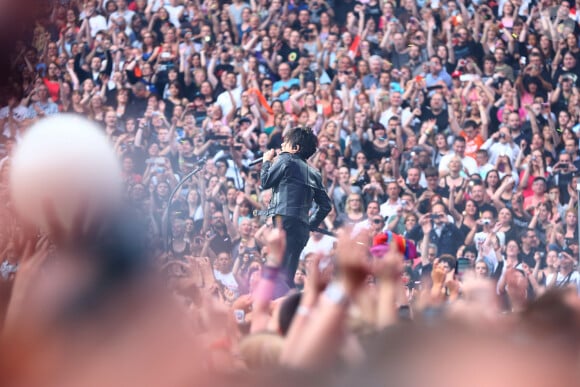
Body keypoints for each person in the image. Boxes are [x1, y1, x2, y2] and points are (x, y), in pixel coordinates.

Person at [260, 126, 332, 288]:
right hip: (301, 228)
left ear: (295, 148)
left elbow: (265, 182)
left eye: (286, 142)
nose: (282, 146)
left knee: (278, 271)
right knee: (288, 274)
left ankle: (276, 306)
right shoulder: (314, 173)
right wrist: (310, 224)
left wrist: (266, 162)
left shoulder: (286, 159)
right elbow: (326, 206)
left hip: (284, 220)